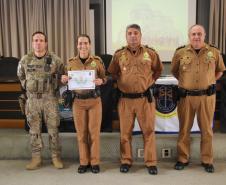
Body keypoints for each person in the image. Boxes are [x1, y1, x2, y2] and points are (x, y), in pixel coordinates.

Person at [108, 24, 163, 175]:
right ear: (126, 36)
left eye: (136, 33)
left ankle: (151, 162)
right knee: (125, 133)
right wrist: (122, 82)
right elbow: (113, 72)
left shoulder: (150, 53)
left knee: (149, 132)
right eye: (130, 33)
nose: (133, 36)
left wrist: (149, 81)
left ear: (140, 35)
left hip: (145, 99)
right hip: (125, 100)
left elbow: (158, 70)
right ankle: (126, 160)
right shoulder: (119, 54)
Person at [171, 24, 225, 173]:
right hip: (186, 97)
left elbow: (220, 70)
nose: (196, 37)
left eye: (199, 34)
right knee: (184, 130)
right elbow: (176, 72)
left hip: (206, 97)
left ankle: (207, 160)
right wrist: (185, 83)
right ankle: (183, 159)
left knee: (207, 130)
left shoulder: (213, 52)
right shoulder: (180, 52)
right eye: (193, 34)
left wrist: (210, 81)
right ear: (189, 36)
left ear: (204, 35)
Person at [17, 31, 64, 170]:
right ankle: (36, 158)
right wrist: (27, 86)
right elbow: (20, 76)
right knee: (34, 130)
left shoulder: (55, 59)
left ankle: (56, 157)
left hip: (50, 99)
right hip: (32, 101)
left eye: (41, 40)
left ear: (46, 43)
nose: (38, 43)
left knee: (53, 129)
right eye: (35, 40)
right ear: (32, 43)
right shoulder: (25, 60)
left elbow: (62, 76)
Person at [61, 34, 106, 174]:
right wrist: (63, 79)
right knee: (81, 134)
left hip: (94, 101)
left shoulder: (97, 61)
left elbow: (104, 78)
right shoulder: (70, 62)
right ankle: (84, 162)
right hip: (78, 102)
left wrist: (102, 81)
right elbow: (65, 79)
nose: (83, 46)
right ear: (77, 45)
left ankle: (95, 162)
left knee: (94, 134)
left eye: (85, 43)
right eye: (80, 43)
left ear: (90, 45)